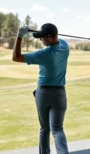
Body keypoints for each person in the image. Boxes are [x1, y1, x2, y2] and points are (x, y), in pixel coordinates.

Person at [12, 23, 69, 154]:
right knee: (57, 129)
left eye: (41, 37)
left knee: (44, 128)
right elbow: (58, 40)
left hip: (43, 93)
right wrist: (52, 33)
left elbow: (16, 57)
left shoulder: (44, 53)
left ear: (49, 38)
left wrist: (20, 35)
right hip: (60, 94)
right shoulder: (65, 47)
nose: (40, 40)